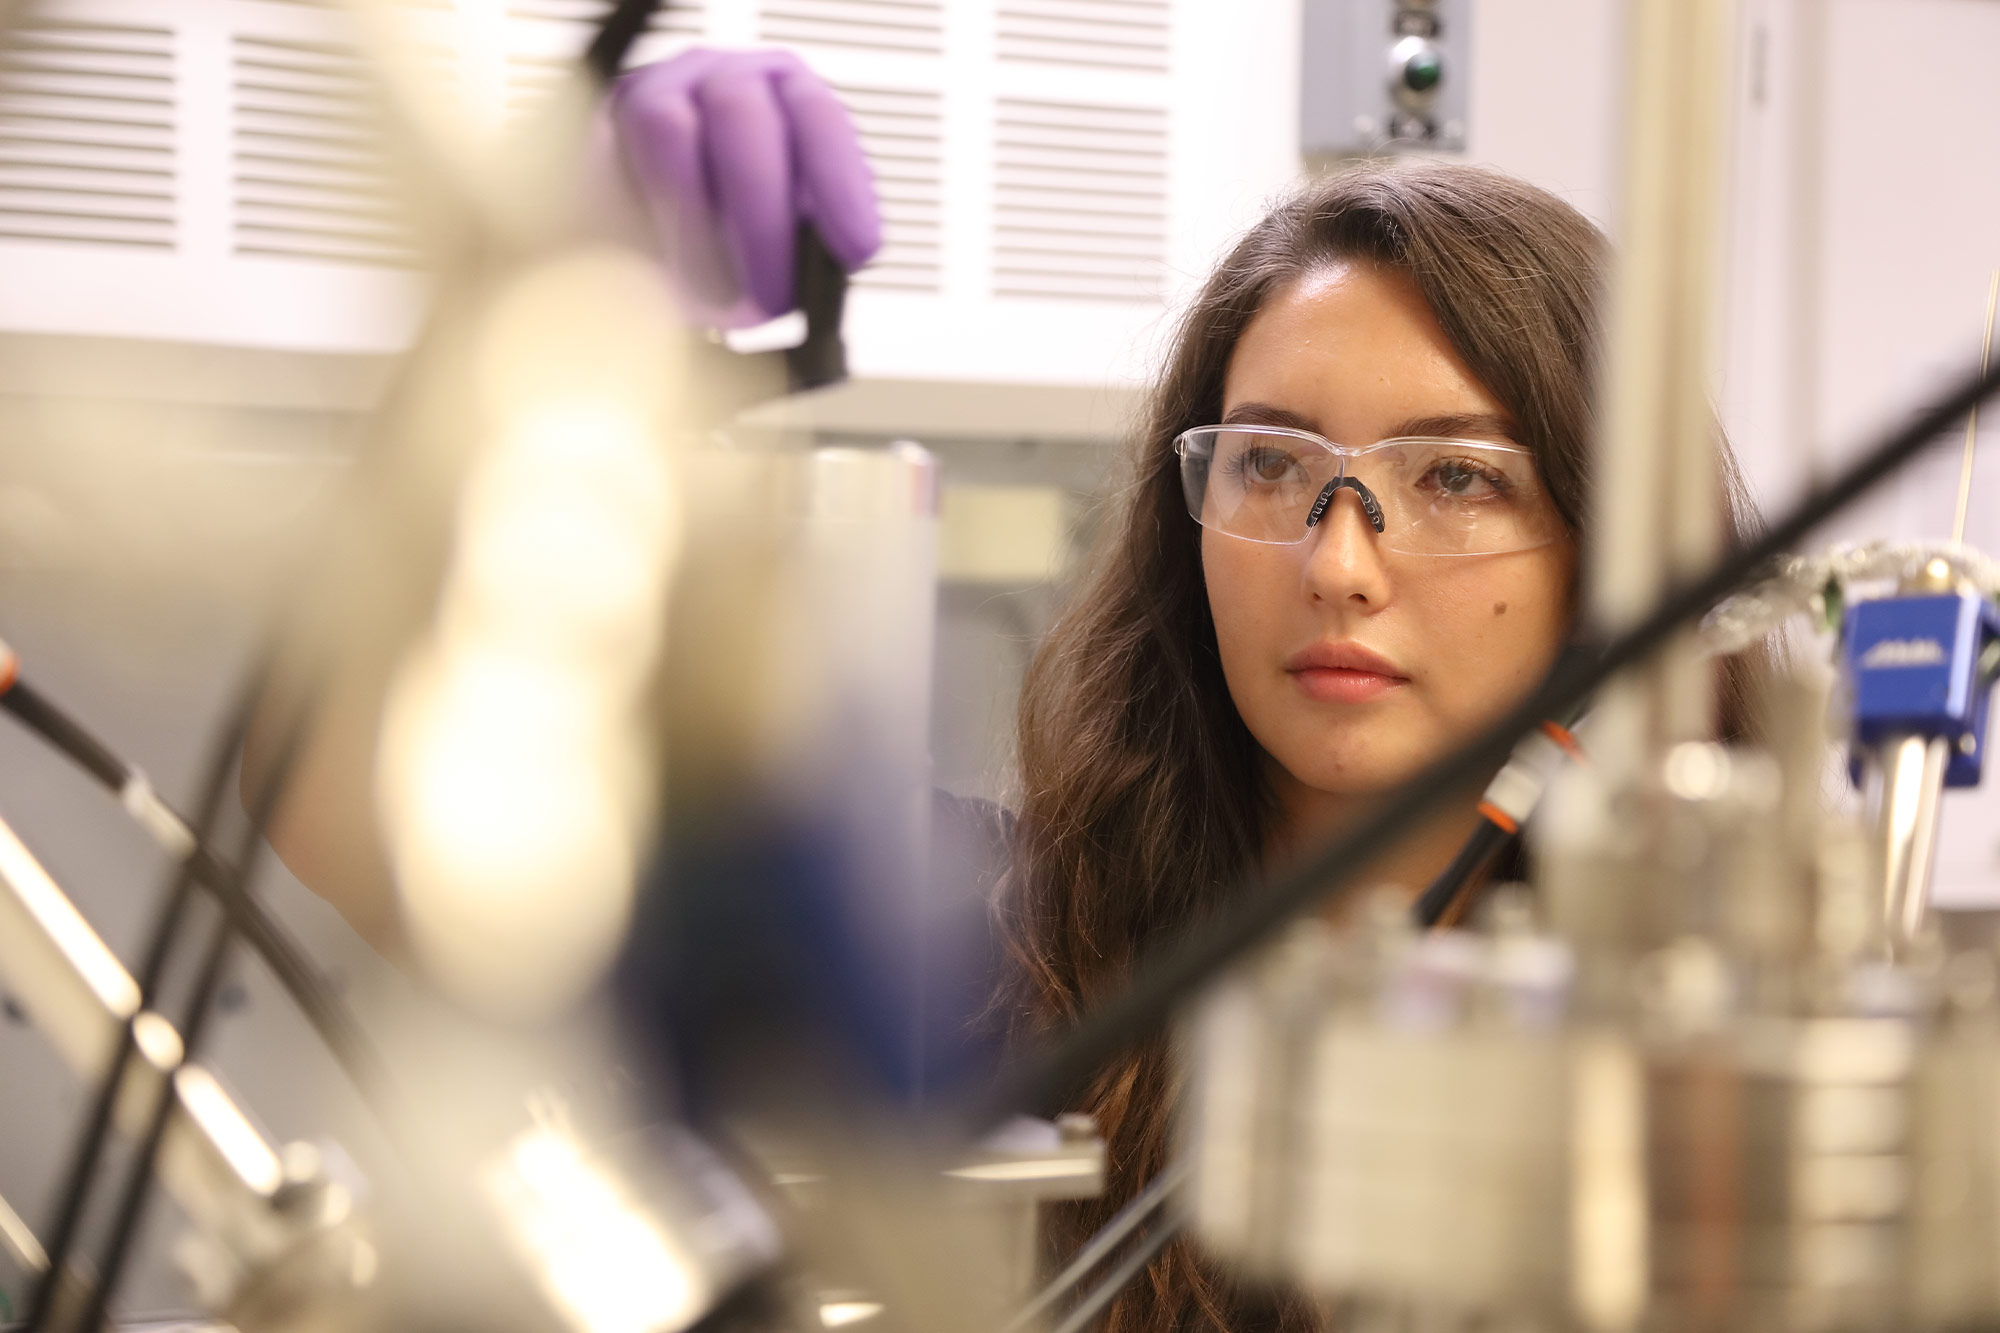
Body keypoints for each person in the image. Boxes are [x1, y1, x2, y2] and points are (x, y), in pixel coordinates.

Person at [256, 47, 1765, 1333]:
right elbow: (334, 804)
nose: (1342, 563)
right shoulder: (989, 941)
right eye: (1272, 465)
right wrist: (542, 346)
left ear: (1618, 552)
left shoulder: (1741, 1034)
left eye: (1452, 475)